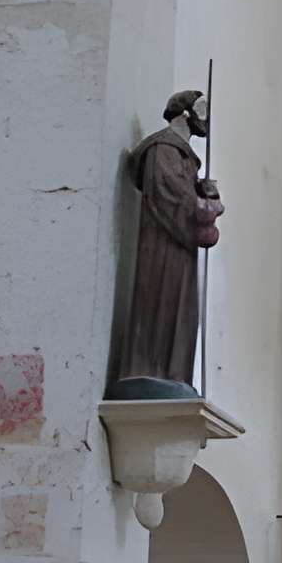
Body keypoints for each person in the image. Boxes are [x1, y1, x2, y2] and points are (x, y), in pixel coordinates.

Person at [110, 88, 219, 391]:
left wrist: (204, 193)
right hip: (163, 246)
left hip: (181, 249)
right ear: (185, 113)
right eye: (202, 110)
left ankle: (174, 375)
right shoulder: (163, 150)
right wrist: (202, 207)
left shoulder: (183, 156)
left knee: (182, 311)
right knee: (161, 304)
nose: (207, 119)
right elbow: (168, 195)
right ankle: (150, 370)